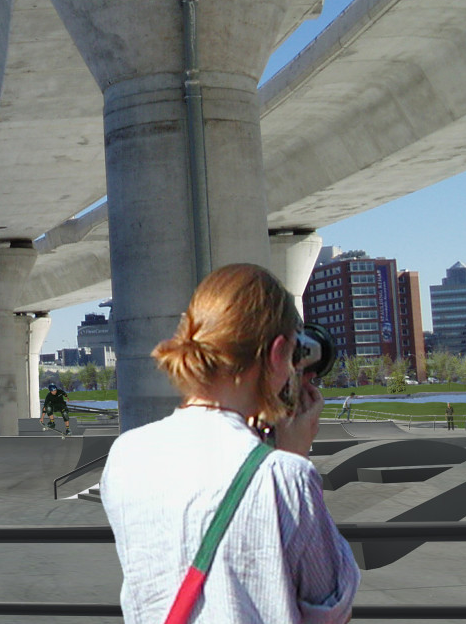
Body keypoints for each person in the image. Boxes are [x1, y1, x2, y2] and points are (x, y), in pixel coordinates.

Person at [101, 264, 359, 624]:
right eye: (290, 356)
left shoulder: (127, 455)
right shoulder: (283, 475)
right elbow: (331, 613)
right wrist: (292, 455)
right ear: (277, 352)